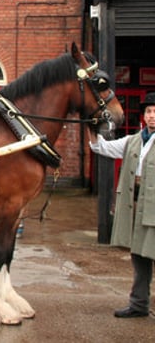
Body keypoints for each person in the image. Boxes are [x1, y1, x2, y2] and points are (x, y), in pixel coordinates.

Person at [89, 92, 155, 318]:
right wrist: (91, 126)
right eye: (149, 111)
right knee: (139, 256)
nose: (152, 116)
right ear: (143, 115)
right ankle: (139, 304)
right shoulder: (133, 140)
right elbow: (101, 148)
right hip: (136, 204)